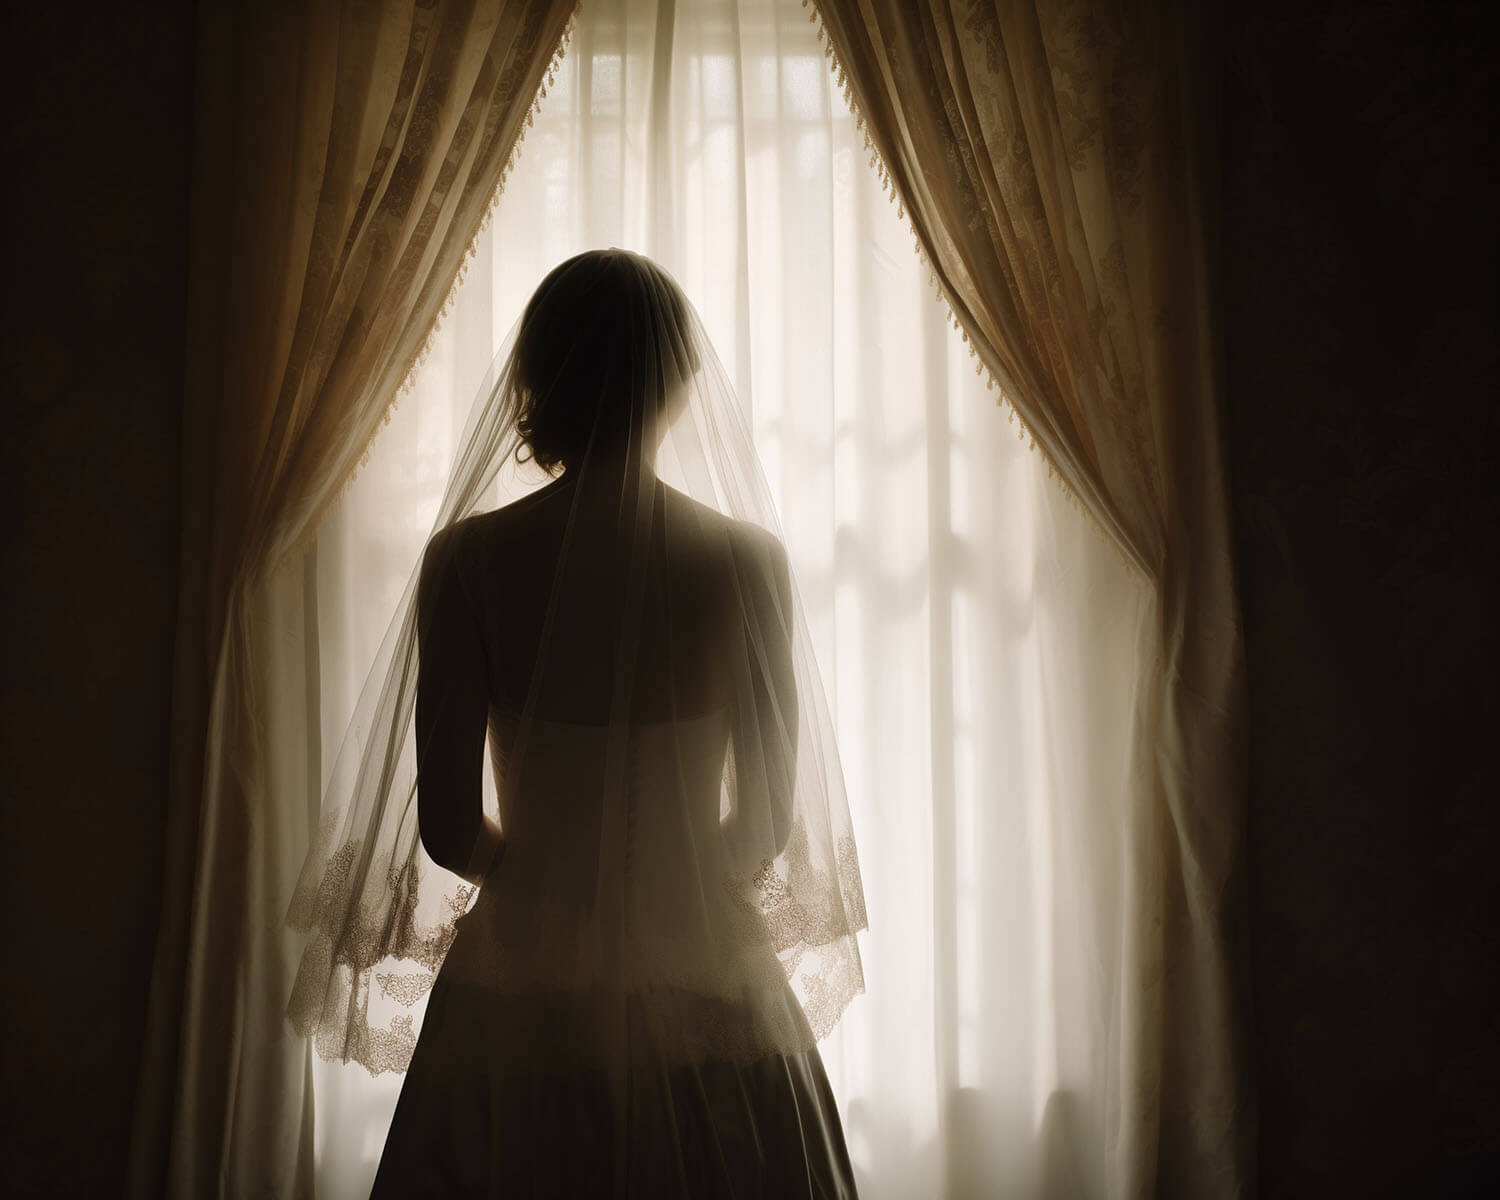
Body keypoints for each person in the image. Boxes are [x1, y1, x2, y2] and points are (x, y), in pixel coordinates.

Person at [289, 250, 866, 1197]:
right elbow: (763, 824)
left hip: (524, 980)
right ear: (679, 383)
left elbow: (443, 830)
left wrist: (553, 883)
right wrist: (664, 890)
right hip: (706, 974)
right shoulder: (749, 564)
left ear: (536, 378)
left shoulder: (468, 562)